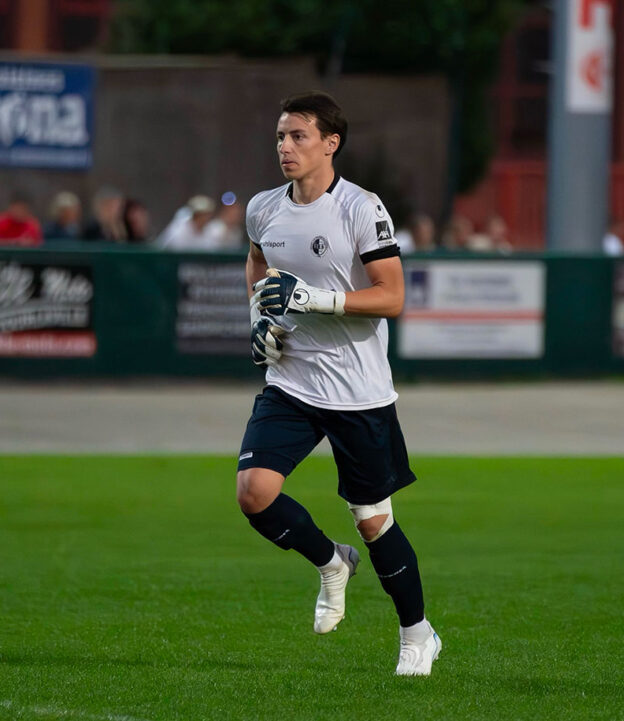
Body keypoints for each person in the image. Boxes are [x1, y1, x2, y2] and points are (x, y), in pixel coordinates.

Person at [237, 91, 440, 676]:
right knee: (254, 492)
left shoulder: (361, 207)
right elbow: (257, 265)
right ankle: (330, 562)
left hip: (358, 392)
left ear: (331, 143)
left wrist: (313, 299)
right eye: (280, 135)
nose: (285, 146)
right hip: (292, 381)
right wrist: (260, 322)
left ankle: (417, 634)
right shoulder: (263, 208)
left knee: (374, 520)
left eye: (298, 135)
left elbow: (393, 297)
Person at [157, 195, 225, 251]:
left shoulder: (211, 230)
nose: (206, 218)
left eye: (208, 214)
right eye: (202, 215)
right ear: (195, 215)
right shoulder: (179, 231)